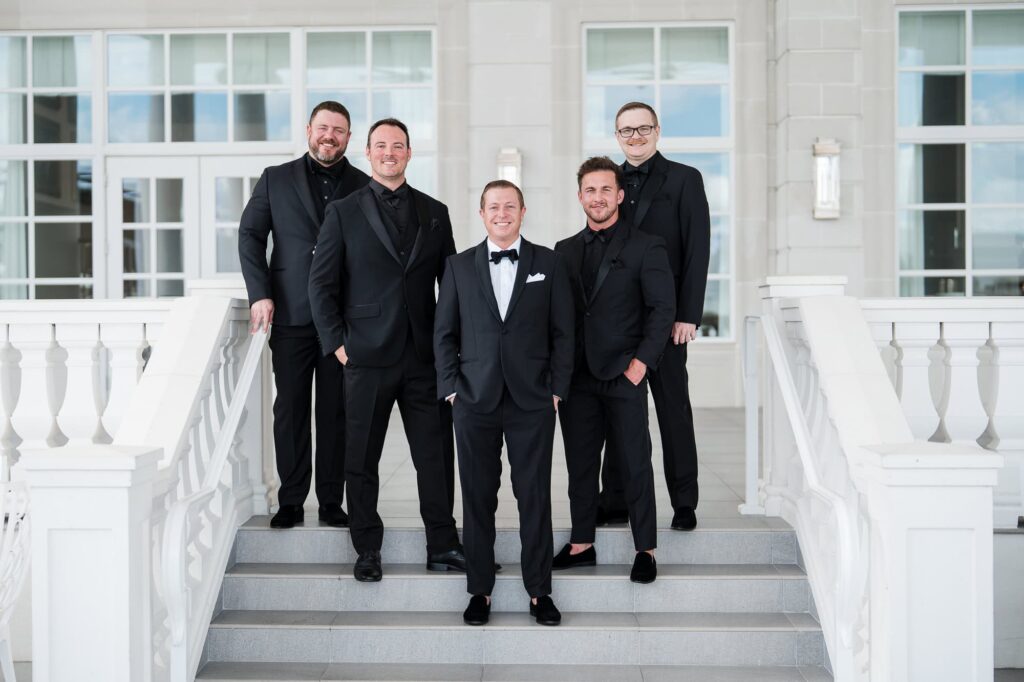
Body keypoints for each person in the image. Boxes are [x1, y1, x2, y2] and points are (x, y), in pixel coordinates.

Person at [308, 117, 463, 582]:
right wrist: (337, 345)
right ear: (369, 153)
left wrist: (451, 349)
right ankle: (367, 548)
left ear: (409, 153)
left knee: (435, 456)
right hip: (365, 356)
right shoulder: (343, 211)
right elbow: (320, 284)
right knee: (361, 458)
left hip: (424, 357)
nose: (389, 153)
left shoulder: (435, 211)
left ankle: (443, 544)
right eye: (381, 146)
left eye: (398, 146)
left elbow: (451, 287)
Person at [434, 180, 574, 626]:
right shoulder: (457, 266)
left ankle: (539, 592)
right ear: (481, 213)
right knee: (477, 498)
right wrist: (451, 388)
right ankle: (480, 591)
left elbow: (564, 333)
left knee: (534, 497)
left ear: (523, 211)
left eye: (509, 206)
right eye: (493, 207)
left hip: (532, 400)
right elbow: (444, 334)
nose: (501, 213)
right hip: (473, 399)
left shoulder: (549, 264)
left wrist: (556, 389)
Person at [238, 101, 369, 530]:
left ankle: (331, 501)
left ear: (348, 138)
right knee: (291, 410)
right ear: (309, 129)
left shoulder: (364, 185)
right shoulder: (275, 179)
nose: (330, 136)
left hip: (342, 321)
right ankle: (291, 500)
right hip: (290, 313)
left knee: (336, 413)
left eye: (339, 130)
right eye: (323, 128)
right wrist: (260, 293)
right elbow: (251, 235)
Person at [553, 156, 675, 583]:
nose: (598, 197)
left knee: (635, 463)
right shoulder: (563, 251)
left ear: (620, 195)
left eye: (606, 189)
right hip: (577, 378)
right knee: (580, 464)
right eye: (590, 190)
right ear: (580, 196)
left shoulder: (647, 246)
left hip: (625, 372)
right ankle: (581, 543)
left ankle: (646, 549)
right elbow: (558, 317)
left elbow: (662, 310)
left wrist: (641, 365)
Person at [598, 101, 711, 532]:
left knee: (673, 411)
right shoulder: (606, 181)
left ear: (657, 131)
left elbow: (698, 249)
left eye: (643, 128)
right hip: (618, 321)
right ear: (617, 136)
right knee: (619, 414)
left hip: (667, 321)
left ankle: (684, 502)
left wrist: (688, 315)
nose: (635, 137)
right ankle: (615, 501)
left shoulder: (685, 179)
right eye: (627, 130)